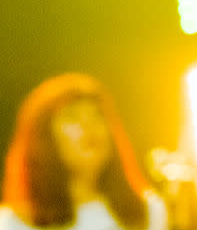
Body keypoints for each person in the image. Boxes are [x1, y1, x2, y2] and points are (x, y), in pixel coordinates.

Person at [0, 74, 168, 230]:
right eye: (71, 117)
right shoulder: (13, 223)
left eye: (97, 115)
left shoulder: (148, 210)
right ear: (44, 138)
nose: (88, 126)